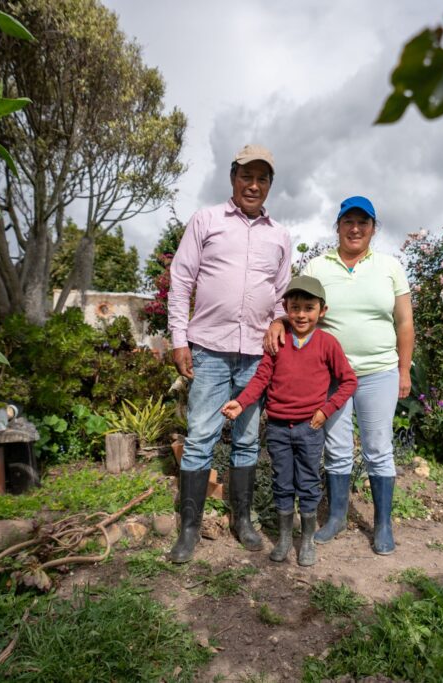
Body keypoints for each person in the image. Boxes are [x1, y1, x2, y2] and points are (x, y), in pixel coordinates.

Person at [265, 196, 414, 555]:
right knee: (337, 448)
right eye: (348, 221)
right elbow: (299, 304)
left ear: (373, 229)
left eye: (363, 222)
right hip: (330, 375)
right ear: (338, 226)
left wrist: (403, 369)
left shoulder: (390, 266)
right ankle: (336, 518)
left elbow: (404, 321)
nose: (355, 228)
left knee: (379, 448)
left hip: (379, 371)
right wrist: (277, 320)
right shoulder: (318, 265)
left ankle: (382, 525)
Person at [167, 145, 292, 564]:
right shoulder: (206, 220)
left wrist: (278, 321)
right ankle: (189, 528)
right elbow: (181, 280)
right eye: (246, 176)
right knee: (201, 436)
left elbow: (281, 294)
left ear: (270, 185)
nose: (253, 185)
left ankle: (242, 520)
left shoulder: (279, 235)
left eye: (262, 178)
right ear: (233, 178)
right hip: (209, 350)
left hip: (257, 354)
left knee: (247, 441)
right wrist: (178, 339)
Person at [221, 276, 358, 566]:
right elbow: (261, 378)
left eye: (309, 308)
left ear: (322, 311)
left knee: (308, 483)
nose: (301, 314)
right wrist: (242, 402)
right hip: (279, 429)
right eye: (295, 307)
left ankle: (306, 541)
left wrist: (325, 411)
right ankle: (285, 538)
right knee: (282, 482)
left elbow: (348, 382)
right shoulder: (278, 342)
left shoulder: (327, 343)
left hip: (310, 428)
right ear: (285, 308)